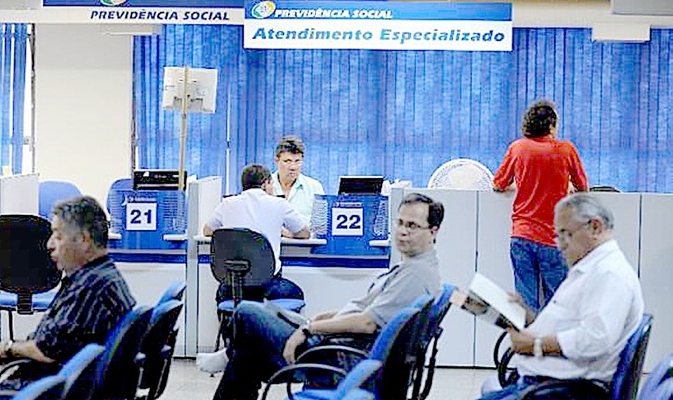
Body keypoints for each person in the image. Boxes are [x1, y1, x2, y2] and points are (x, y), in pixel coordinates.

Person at [212, 193, 445, 400]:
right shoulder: (416, 269)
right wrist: (323, 319)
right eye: (400, 223)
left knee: (247, 311)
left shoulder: (414, 275)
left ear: (433, 231)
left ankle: (228, 353)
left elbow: (367, 322)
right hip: (340, 345)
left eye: (412, 226)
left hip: (339, 355)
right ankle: (233, 353)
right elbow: (369, 311)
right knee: (247, 356)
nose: (403, 231)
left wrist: (309, 329)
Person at [479, 193, 644, 400]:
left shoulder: (608, 275)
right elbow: (566, 324)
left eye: (566, 234)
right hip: (544, 384)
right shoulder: (588, 269)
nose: (560, 245)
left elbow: (596, 338)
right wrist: (527, 316)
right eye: (558, 236)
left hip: (563, 391)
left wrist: (537, 344)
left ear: (595, 227)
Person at [0, 196, 136, 394]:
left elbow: (47, 351)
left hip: (45, 390)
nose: (49, 244)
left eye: (58, 237)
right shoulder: (102, 277)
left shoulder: (90, 288)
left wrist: (10, 348)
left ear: (84, 240)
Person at [198, 164, 310, 372]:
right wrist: (284, 232)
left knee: (221, 294)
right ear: (266, 183)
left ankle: (232, 350)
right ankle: (276, 352)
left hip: (233, 286)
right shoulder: (278, 204)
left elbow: (207, 230)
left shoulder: (227, 203)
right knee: (295, 293)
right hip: (269, 287)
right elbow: (304, 233)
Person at [493, 100, 588, 313]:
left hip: (522, 236)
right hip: (553, 239)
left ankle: (527, 335)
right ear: (551, 125)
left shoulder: (517, 148)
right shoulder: (566, 150)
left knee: (526, 306)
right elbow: (583, 187)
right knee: (557, 305)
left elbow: (498, 184)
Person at [271, 136, 325, 224]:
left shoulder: (314, 187)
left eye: (297, 161)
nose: (293, 167)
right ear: (277, 160)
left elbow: (321, 224)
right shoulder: (264, 186)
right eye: (287, 161)